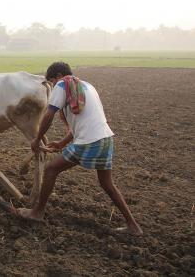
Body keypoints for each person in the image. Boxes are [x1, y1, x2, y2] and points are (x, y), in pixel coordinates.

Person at [17, 61, 143, 236]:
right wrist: (61, 143)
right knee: (107, 184)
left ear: (58, 76)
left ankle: (37, 212)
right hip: (105, 139)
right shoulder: (87, 86)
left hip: (89, 142)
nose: (52, 86)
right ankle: (133, 226)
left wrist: (37, 139)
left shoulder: (62, 84)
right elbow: (84, 122)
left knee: (51, 169)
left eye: (52, 81)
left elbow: (49, 115)